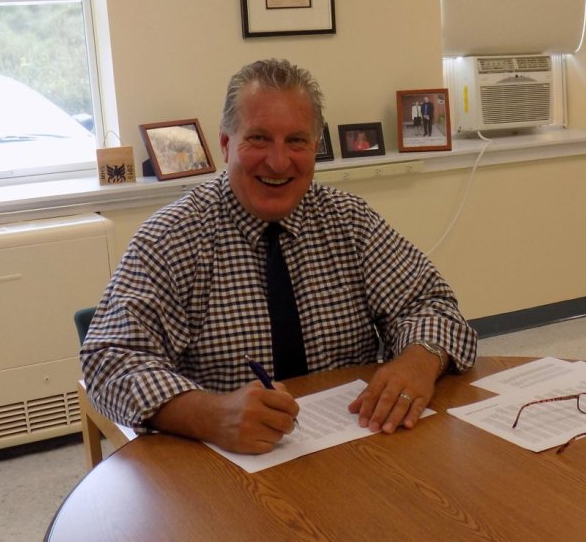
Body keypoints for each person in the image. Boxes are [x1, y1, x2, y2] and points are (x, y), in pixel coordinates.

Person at [80, 58, 477, 455]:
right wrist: (209, 413)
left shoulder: (351, 222)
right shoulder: (171, 238)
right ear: (225, 144)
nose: (278, 161)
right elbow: (109, 360)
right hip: (219, 466)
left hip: (351, 449)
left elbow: (433, 304)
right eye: (258, 139)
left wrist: (419, 359)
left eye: (297, 141)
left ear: (315, 147)